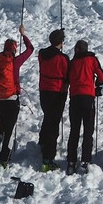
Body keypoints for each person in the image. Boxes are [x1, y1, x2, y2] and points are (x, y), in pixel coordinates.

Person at [0, 25, 34, 167]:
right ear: (14, 49)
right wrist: (23, 35)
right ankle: (4, 158)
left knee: (2, 119)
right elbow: (30, 49)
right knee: (10, 128)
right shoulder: (15, 61)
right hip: (11, 98)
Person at [65, 39, 103, 174]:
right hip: (88, 98)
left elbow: (67, 79)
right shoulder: (92, 60)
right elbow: (102, 77)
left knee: (74, 130)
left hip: (75, 98)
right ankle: (86, 160)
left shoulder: (72, 63)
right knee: (88, 130)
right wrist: (97, 86)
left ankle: (71, 161)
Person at [38, 28, 69, 172]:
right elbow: (67, 75)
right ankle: (48, 157)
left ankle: (43, 142)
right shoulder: (63, 59)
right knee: (54, 123)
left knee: (48, 117)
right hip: (58, 93)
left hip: (44, 91)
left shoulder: (42, 54)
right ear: (60, 42)